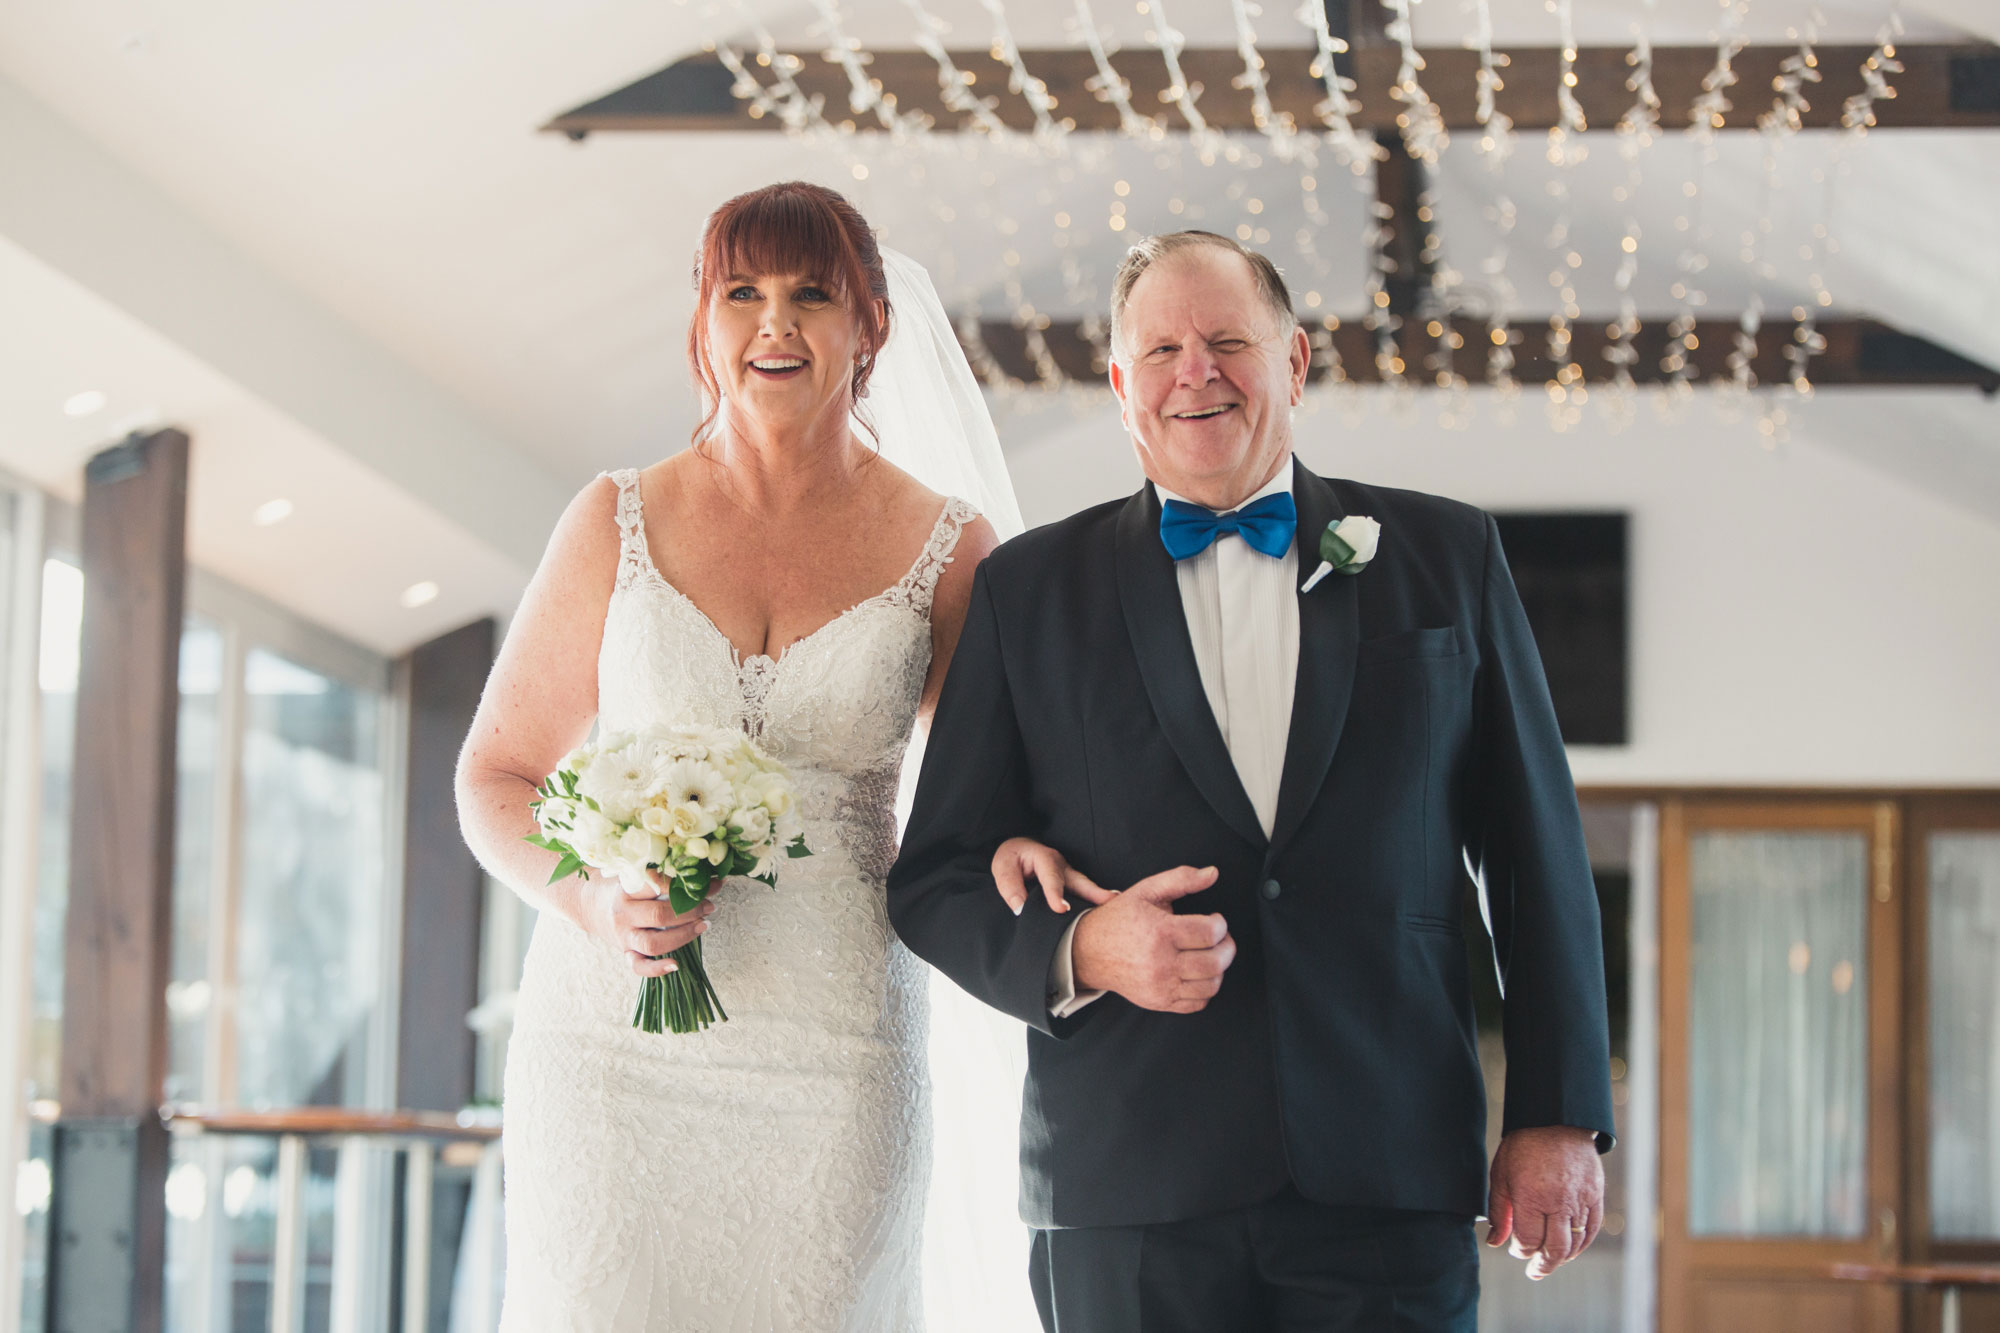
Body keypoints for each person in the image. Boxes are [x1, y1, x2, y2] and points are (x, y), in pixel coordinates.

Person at [887, 230, 1616, 1332]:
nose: (1198, 370)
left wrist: (1558, 1115)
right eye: (1163, 349)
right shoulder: (1024, 591)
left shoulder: (1442, 555)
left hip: (1386, 1166)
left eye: (1229, 340)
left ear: (1296, 363)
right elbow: (932, 875)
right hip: (1124, 1177)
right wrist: (1082, 950)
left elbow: (1535, 852)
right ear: (1120, 387)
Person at [455, 180, 1008, 1329]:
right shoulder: (611, 517)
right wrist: (593, 900)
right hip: (608, 1050)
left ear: (871, 326)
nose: (774, 324)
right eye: (740, 291)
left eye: (812, 295)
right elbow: (495, 777)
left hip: (836, 1054)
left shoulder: (949, 549)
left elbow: (993, 801)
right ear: (701, 321)